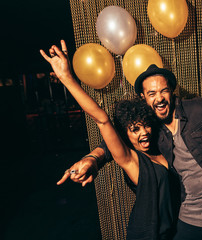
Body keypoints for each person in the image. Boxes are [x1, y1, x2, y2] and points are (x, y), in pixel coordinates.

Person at [62, 65, 202, 238]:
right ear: (143, 98)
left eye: (163, 91)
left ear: (171, 92)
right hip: (187, 221)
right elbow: (116, 141)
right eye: (151, 94)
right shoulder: (149, 128)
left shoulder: (200, 109)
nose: (159, 98)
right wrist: (93, 158)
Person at [40, 40, 180, 240]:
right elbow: (102, 120)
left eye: (145, 125)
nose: (144, 133)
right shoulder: (132, 161)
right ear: (126, 135)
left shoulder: (162, 150)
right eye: (135, 129)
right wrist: (66, 78)